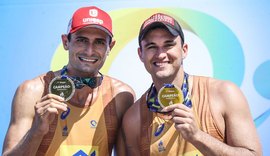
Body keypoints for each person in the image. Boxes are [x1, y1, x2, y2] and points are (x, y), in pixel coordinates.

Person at [122, 13, 262, 156]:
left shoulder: (224, 93)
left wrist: (197, 136)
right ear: (141, 54)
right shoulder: (134, 118)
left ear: (184, 50)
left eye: (168, 44)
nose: (161, 54)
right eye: (152, 46)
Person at [2, 6, 135, 156]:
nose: (89, 51)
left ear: (110, 47)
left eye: (99, 42)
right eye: (81, 40)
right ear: (66, 42)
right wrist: (37, 131)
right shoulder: (33, 91)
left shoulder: (120, 96)